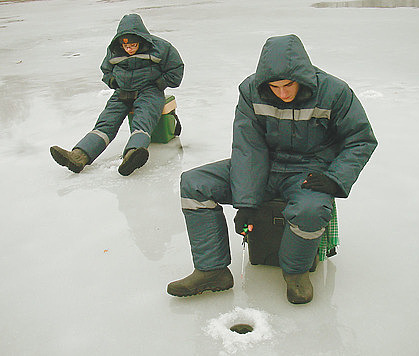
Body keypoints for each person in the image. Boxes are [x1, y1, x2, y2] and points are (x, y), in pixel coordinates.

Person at [167, 34, 377, 304]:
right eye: (275, 87)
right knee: (194, 183)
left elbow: (361, 139)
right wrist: (246, 202)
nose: (284, 93)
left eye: (289, 85)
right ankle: (212, 270)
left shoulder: (334, 92)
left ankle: (296, 273)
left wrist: (336, 179)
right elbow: (248, 148)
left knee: (311, 210)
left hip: (308, 172)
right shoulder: (250, 91)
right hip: (263, 168)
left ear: (302, 76)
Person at [50, 14, 184, 176]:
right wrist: (113, 82)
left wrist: (159, 84)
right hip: (122, 92)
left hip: (149, 91)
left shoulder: (161, 47)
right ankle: (79, 156)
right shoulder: (114, 49)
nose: (129, 49)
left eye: (133, 45)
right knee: (106, 122)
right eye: (125, 46)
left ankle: (132, 154)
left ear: (141, 39)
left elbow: (176, 70)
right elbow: (106, 70)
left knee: (143, 120)